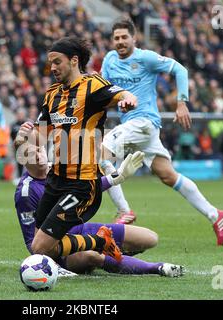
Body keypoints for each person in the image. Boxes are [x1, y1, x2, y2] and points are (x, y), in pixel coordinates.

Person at [101, 18, 223, 245]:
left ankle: (124, 211)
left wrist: (181, 102)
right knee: (168, 175)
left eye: (124, 37)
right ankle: (214, 214)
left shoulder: (146, 58)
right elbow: (105, 92)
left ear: (134, 38)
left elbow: (180, 69)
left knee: (101, 153)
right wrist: (114, 103)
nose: (120, 42)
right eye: (116, 38)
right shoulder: (109, 60)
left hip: (143, 122)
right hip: (137, 127)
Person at [14, 36, 138, 264]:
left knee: (41, 246)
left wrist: (128, 99)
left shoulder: (93, 85)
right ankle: (98, 243)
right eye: (50, 63)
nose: (52, 67)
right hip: (55, 181)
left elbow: (122, 94)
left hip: (81, 184)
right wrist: (22, 140)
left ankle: (100, 244)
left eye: (57, 62)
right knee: (39, 246)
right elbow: (40, 136)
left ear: (74, 60)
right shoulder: (52, 94)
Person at [14, 142, 185, 277]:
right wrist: (55, 266)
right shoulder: (25, 192)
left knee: (150, 238)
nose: (38, 156)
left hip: (81, 229)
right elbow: (33, 244)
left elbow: (86, 188)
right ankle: (157, 268)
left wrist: (118, 176)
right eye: (30, 154)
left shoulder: (60, 169)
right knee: (91, 256)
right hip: (58, 246)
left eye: (39, 150)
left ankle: (111, 252)